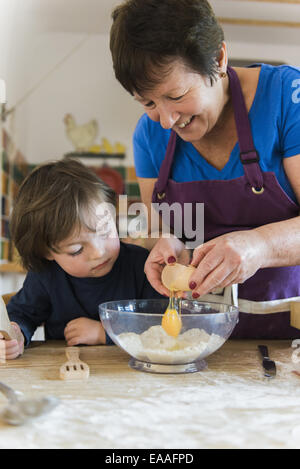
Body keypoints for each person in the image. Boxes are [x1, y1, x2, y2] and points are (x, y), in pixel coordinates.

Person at [110, 0, 300, 338]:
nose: (166, 121)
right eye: (148, 102)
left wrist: (259, 245)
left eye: (176, 95)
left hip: (292, 332)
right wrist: (167, 245)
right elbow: (162, 230)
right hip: (199, 334)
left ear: (218, 59)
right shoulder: (149, 134)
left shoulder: (287, 99)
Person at [1, 159, 162, 359]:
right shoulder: (46, 275)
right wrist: (15, 334)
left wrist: (106, 333)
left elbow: (164, 322)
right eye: (76, 250)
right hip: (64, 377)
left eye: (105, 230)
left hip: (134, 376)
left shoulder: (142, 265)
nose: (98, 252)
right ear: (47, 253)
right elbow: (22, 314)